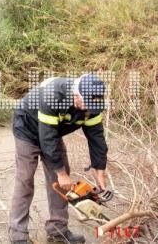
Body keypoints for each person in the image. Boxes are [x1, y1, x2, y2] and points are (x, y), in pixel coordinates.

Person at [9, 74, 109, 244]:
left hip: (52, 132)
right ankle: (18, 235)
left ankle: (58, 230)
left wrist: (100, 170)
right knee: (25, 179)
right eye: (86, 105)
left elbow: (97, 138)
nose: (89, 110)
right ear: (76, 95)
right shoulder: (54, 95)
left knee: (64, 182)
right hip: (28, 128)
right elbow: (47, 137)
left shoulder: (93, 105)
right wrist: (60, 172)